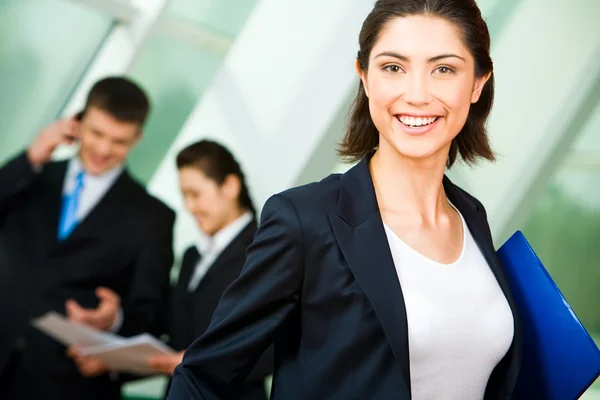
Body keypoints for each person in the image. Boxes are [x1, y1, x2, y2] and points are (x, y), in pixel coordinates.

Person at [166, 0, 522, 399]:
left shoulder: (471, 216)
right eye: (393, 67)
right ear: (365, 77)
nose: (417, 94)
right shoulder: (305, 220)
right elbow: (200, 377)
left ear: (477, 83)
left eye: (443, 69)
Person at [0, 77, 175, 400]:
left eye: (119, 141)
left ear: (137, 137)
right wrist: (32, 157)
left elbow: (150, 310)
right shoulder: (31, 177)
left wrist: (114, 321)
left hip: (65, 386)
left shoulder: (153, 217)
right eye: (97, 133)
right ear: (77, 124)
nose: (104, 150)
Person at [147, 140, 273, 399]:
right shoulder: (191, 257)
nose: (189, 207)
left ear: (230, 186)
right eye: (184, 196)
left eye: (195, 194)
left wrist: (202, 362)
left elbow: (275, 344)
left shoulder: (267, 252)